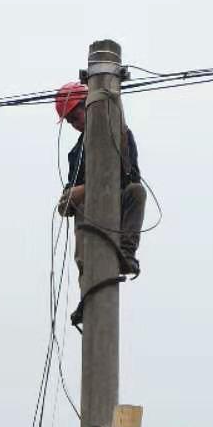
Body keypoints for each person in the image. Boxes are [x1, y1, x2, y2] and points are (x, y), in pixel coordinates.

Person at [54, 80, 147, 284]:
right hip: (91, 219)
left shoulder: (120, 134)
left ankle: (126, 253)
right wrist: (76, 195)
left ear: (89, 106)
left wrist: (91, 187)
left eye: (75, 117)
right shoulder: (76, 153)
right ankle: (88, 273)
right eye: (70, 121)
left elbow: (130, 177)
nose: (74, 124)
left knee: (137, 192)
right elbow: (65, 205)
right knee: (80, 203)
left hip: (116, 205)